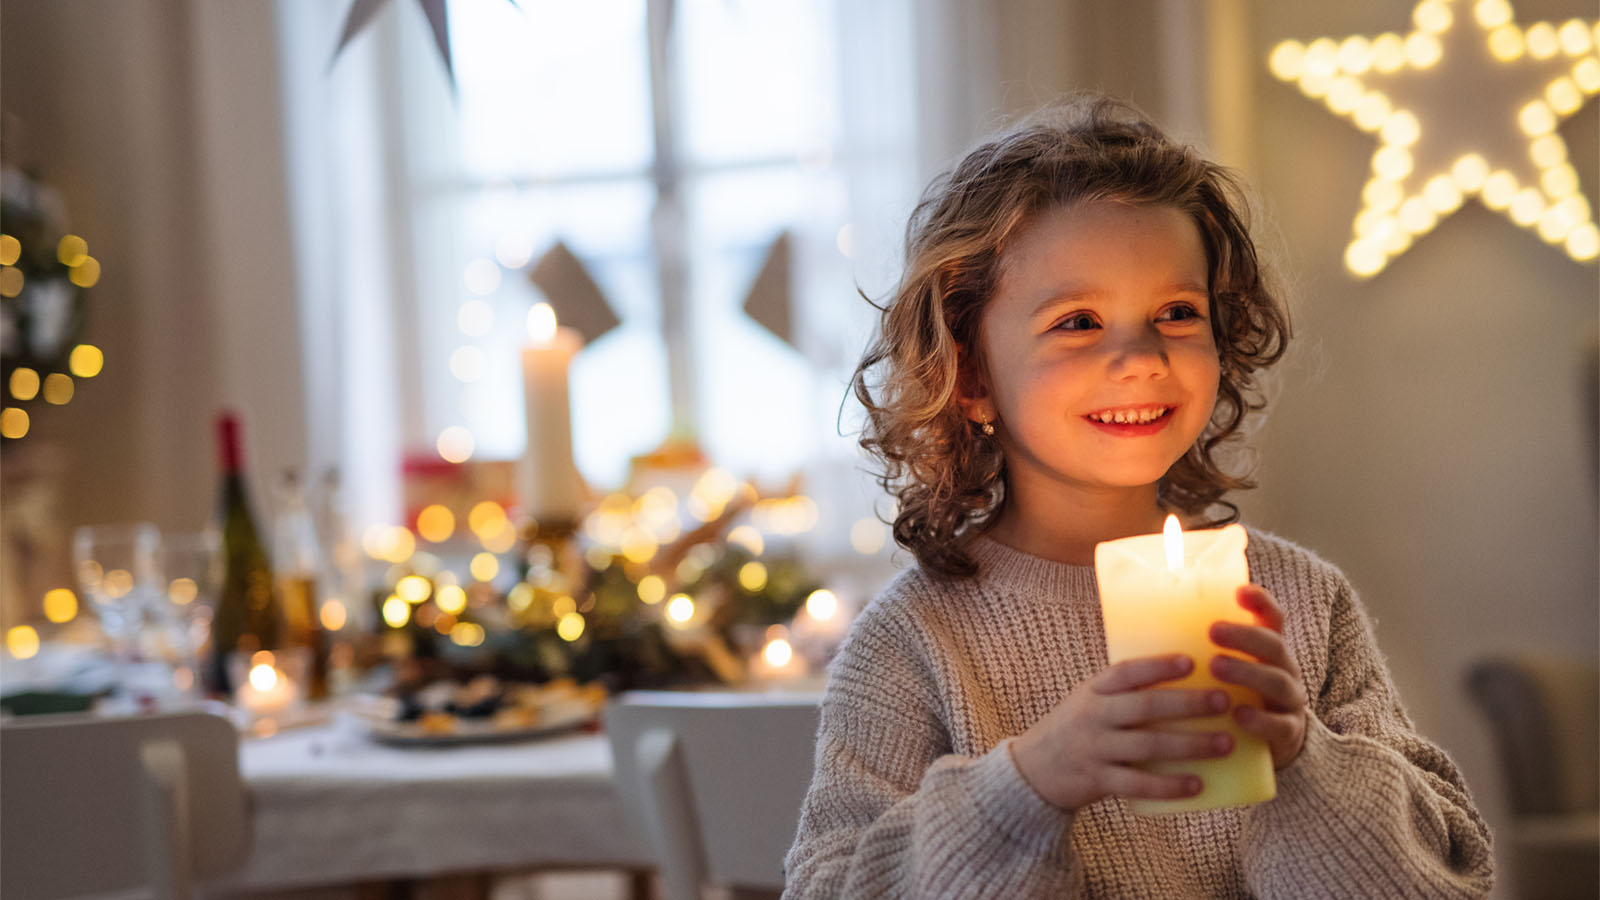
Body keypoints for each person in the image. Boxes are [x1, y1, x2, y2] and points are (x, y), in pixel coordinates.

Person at [781, 94, 1493, 899]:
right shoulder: (913, 642)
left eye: (1177, 312)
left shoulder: (1303, 603)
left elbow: (1448, 884)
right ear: (973, 375)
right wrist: (1030, 785)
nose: (1141, 355)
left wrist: (1305, 760)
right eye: (1078, 321)